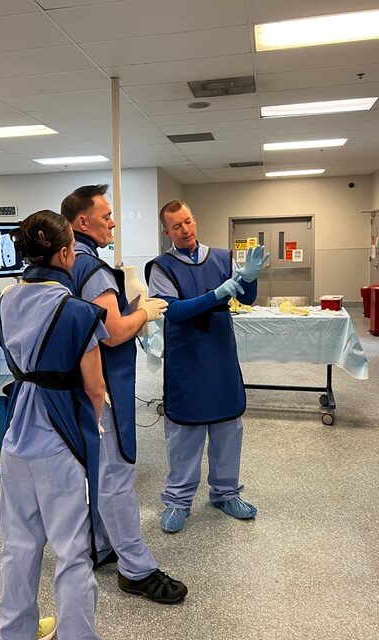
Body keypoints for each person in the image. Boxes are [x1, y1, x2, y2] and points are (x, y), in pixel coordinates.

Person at [61, 185, 188, 604]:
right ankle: (136, 569)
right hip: (102, 390)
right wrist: (144, 312)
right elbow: (113, 334)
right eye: (106, 216)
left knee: (97, 473)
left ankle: (101, 544)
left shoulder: (65, 264)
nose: (113, 222)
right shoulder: (92, 269)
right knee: (117, 477)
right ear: (82, 222)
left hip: (73, 389)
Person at [0, 210, 107, 640]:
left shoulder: (3, 306)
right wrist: (89, 432)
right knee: (73, 551)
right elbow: (95, 390)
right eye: (73, 249)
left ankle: (15, 633)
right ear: (63, 252)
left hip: (16, 432)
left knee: (18, 546)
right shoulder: (78, 313)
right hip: (61, 436)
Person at [145, 200, 269, 533]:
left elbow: (246, 298)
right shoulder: (161, 267)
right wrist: (217, 293)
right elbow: (174, 311)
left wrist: (250, 278)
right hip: (187, 356)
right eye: (176, 226)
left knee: (228, 425)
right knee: (185, 431)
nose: (185, 230)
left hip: (219, 353)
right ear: (166, 231)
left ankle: (226, 493)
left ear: (194, 219)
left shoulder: (222, 258)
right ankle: (178, 500)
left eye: (188, 222)